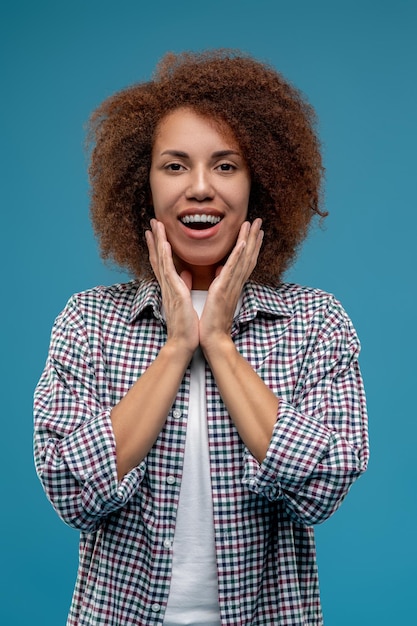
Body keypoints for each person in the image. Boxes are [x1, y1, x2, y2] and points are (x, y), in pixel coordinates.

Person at [34, 50, 369, 626]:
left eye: (225, 165)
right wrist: (175, 348)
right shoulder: (88, 321)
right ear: (142, 188)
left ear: (259, 184)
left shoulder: (316, 321)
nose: (200, 188)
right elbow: (71, 490)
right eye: (174, 166)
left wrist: (219, 341)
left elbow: (323, 485)